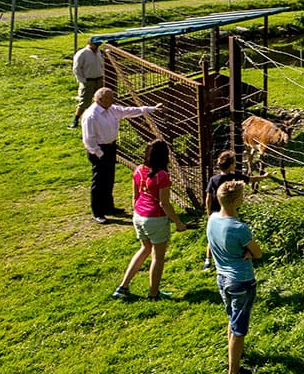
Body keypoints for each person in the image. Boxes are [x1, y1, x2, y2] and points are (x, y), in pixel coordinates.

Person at [112, 139, 190, 301]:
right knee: (158, 257)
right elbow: (164, 203)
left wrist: (138, 212)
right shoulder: (162, 175)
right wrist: (178, 223)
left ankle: (123, 286)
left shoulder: (139, 170)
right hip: (155, 218)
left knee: (145, 249)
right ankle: (154, 293)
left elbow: (135, 196)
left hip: (139, 216)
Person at [207, 179, 263, 374]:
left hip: (222, 278)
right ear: (237, 201)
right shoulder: (239, 228)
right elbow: (258, 253)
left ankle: (234, 354)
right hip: (241, 280)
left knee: (232, 317)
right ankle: (234, 371)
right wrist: (248, 251)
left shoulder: (212, 219)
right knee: (240, 328)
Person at [80, 86, 159, 224]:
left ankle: (108, 207)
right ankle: (97, 212)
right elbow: (88, 139)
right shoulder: (91, 115)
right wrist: (100, 153)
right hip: (98, 150)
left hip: (111, 147)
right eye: (109, 99)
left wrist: (150, 109)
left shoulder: (111, 109)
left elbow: (128, 111)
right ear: (100, 99)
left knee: (109, 178)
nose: (112, 101)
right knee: (99, 182)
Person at [203, 149, 269, 271]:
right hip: (230, 211)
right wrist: (264, 177)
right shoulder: (235, 178)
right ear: (232, 164)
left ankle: (208, 260)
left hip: (216, 212)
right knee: (233, 234)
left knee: (213, 236)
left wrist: (209, 213)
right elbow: (250, 179)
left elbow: (208, 198)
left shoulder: (213, 179)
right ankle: (238, 254)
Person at [70, 36, 106, 129]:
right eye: (95, 45)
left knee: (100, 100)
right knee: (84, 102)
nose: (97, 46)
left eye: (98, 45)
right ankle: (76, 119)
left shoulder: (98, 52)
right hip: (88, 81)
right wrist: (83, 81)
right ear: (90, 43)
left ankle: (97, 119)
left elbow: (101, 64)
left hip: (99, 79)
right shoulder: (82, 53)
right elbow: (76, 68)